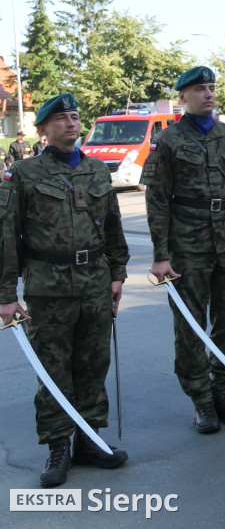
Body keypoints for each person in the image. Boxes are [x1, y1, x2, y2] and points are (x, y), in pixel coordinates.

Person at [0, 93, 130, 487]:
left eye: (74, 117)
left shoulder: (97, 170)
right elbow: (6, 235)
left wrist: (118, 272)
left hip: (94, 282)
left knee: (93, 364)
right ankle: (58, 445)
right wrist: (7, 295)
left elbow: (112, 226)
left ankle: (89, 440)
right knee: (54, 369)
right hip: (47, 287)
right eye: (60, 119)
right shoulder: (24, 174)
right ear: (42, 129)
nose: (71, 123)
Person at [142, 66, 225, 434]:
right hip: (187, 245)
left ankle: (223, 391)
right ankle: (201, 399)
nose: (208, 94)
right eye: (200, 89)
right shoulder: (168, 142)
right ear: (183, 97)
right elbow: (158, 201)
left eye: (211, 87)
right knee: (191, 326)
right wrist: (161, 254)